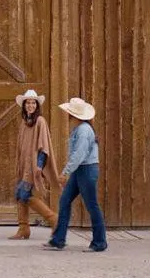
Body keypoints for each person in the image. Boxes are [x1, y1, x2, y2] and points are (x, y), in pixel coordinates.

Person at [44, 97, 107, 252]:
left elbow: (78, 155)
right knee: (65, 200)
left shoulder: (83, 130)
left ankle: (99, 242)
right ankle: (58, 239)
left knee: (92, 205)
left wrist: (65, 172)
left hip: (86, 170)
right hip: (82, 170)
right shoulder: (81, 128)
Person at [8, 89, 60, 240]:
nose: (30, 105)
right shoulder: (25, 123)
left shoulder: (40, 121)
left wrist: (39, 165)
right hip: (24, 166)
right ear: (24, 106)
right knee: (20, 195)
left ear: (37, 106)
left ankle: (54, 219)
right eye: (28, 103)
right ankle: (23, 229)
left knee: (24, 195)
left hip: (33, 166)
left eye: (33, 103)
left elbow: (43, 145)